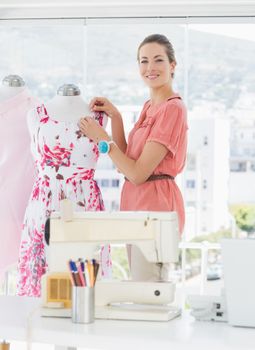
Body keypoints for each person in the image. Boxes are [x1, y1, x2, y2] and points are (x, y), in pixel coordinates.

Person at [80, 34, 188, 280]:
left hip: (155, 208)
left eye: (158, 60)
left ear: (172, 66)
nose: (150, 68)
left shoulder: (173, 108)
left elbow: (138, 174)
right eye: (143, 61)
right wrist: (116, 117)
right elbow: (126, 165)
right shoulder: (149, 107)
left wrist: (102, 139)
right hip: (136, 206)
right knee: (142, 286)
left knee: (149, 291)